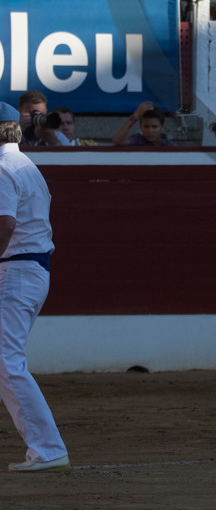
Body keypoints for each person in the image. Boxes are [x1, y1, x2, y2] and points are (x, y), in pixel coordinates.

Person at [0, 101, 70, 472]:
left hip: (16, 271)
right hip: (26, 269)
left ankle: (48, 449)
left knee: (7, 362)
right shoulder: (26, 165)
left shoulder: (0, 167)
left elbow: (6, 225)